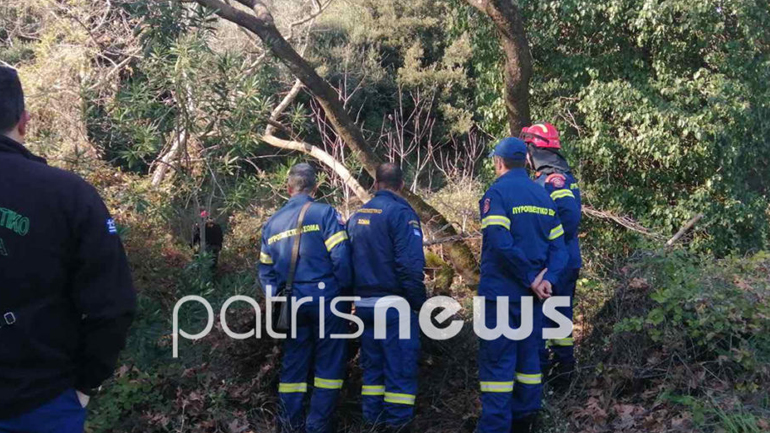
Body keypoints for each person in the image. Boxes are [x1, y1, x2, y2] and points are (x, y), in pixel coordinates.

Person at [0, 66, 136, 432]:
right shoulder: (68, 195)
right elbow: (114, 306)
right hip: (43, 404)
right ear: (24, 121)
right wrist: (86, 384)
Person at [476, 137, 568, 433]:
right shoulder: (543, 195)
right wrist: (547, 280)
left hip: (501, 296)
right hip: (533, 299)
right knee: (529, 362)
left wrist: (530, 277)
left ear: (499, 162)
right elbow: (560, 249)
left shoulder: (497, 193)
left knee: (497, 366)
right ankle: (525, 422)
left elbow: (499, 242)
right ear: (525, 162)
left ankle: (494, 427)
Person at [258, 163, 353, 433]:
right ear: (315, 187)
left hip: (291, 303)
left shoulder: (271, 224)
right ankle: (317, 426)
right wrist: (345, 293)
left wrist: (277, 301)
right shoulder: (324, 213)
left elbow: (265, 272)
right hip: (326, 299)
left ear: (288, 188)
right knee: (329, 364)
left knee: (293, 365)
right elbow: (341, 258)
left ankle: (289, 425)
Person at [346, 163, 427, 433]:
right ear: (402, 185)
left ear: (375, 184)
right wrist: (419, 303)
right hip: (394, 306)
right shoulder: (401, 213)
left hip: (364, 306)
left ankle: (372, 423)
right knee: (400, 370)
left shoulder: (356, 216)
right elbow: (410, 266)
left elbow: (346, 262)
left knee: (373, 371)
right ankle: (397, 425)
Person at [521, 123, 582, 386]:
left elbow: (569, 215)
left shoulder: (554, 179)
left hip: (555, 264)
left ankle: (555, 376)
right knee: (557, 318)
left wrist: (550, 251)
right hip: (561, 261)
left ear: (534, 150)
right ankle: (561, 374)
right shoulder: (555, 175)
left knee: (548, 318)